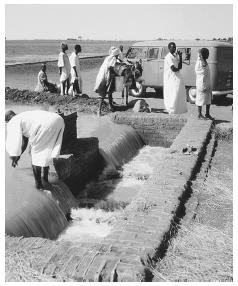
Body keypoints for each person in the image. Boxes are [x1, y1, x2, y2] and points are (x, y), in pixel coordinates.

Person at [5, 110, 65, 191]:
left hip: (45, 124)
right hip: (58, 120)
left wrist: (15, 155)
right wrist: (18, 155)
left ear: (8, 119)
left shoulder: (14, 121)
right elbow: (24, 142)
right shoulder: (24, 117)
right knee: (45, 152)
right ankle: (45, 179)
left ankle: (39, 187)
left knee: (36, 155)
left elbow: (16, 141)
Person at [94, 46, 120, 115]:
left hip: (101, 75)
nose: (118, 56)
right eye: (117, 55)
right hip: (106, 76)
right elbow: (110, 68)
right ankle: (100, 110)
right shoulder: (113, 58)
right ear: (116, 54)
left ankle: (108, 107)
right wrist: (117, 73)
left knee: (106, 93)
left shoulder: (107, 58)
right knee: (106, 92)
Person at [163, 42, 187, 114]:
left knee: (178, 92)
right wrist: (178, 69)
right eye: (172, 47)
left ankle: (177, 109)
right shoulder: (168, 57)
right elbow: (173, 68)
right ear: (169, 48)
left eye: (175, 47)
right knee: (173, 93)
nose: (174, 48)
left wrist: (180, 56)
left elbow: (180, 67)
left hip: (176, 77)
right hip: (171, 78)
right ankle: (171, 109)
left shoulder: (175, 56)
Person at [195, 48, 214, 120]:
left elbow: (199, 51)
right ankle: (199, 114)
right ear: (203, 55)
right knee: (200, 98)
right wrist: (201, 56)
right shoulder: (200, 62)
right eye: (207, 54)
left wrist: (200, 54)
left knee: (208, 98)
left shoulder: (203, 60)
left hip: (207, 82)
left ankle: (207, 114)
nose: (208, 55)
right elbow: (201, 67)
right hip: (202, 83)